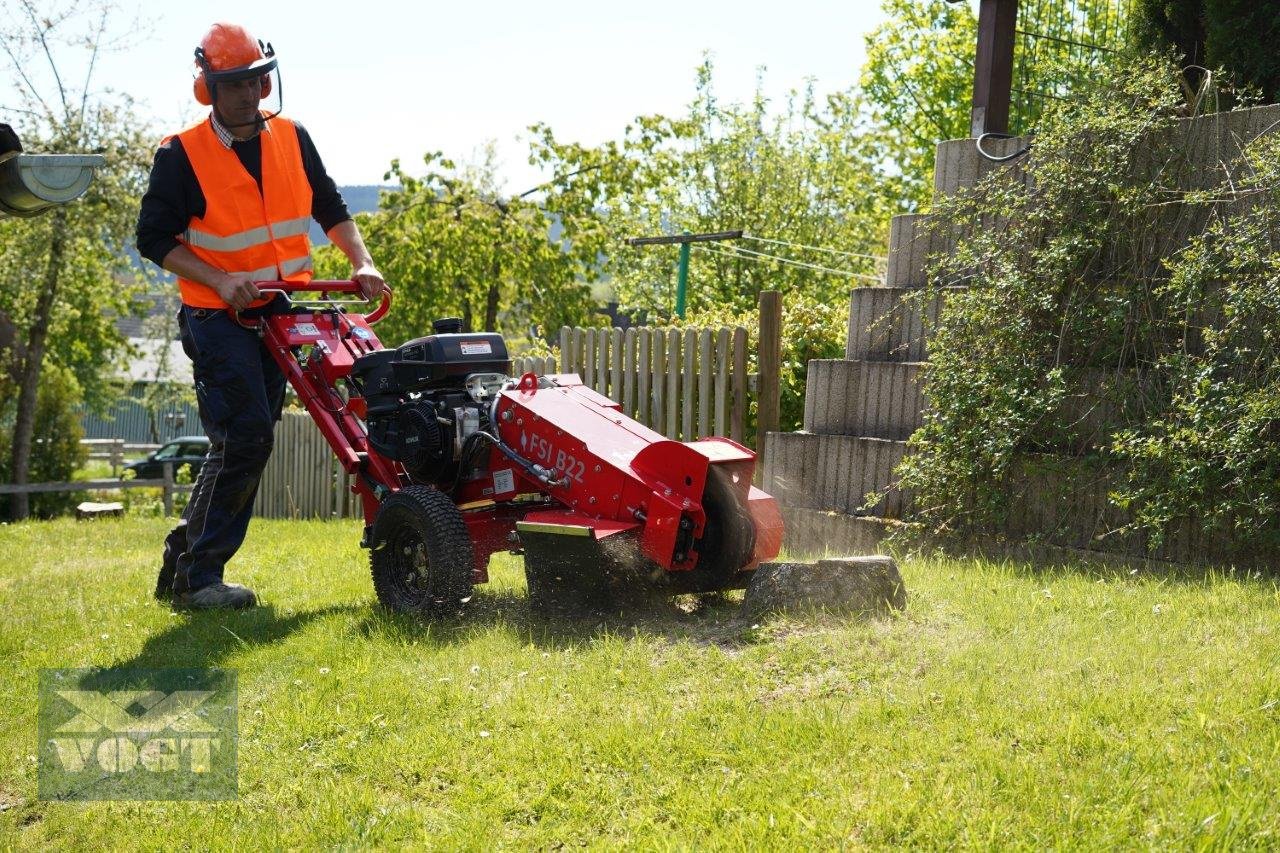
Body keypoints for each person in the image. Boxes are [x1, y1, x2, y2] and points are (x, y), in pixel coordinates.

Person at [136, 22, 387, 610]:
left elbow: (329, 204)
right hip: (216, 315)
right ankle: (201, 581)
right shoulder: (180, 154)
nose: (250, 94)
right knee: (245, 436)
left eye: (258, 80)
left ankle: (185, 561)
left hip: (280, 309)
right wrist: (222, 279)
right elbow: (153, 238)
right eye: (236, 85)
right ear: (209, 89)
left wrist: (362, 260)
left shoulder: (293, 137)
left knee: (243, 442)